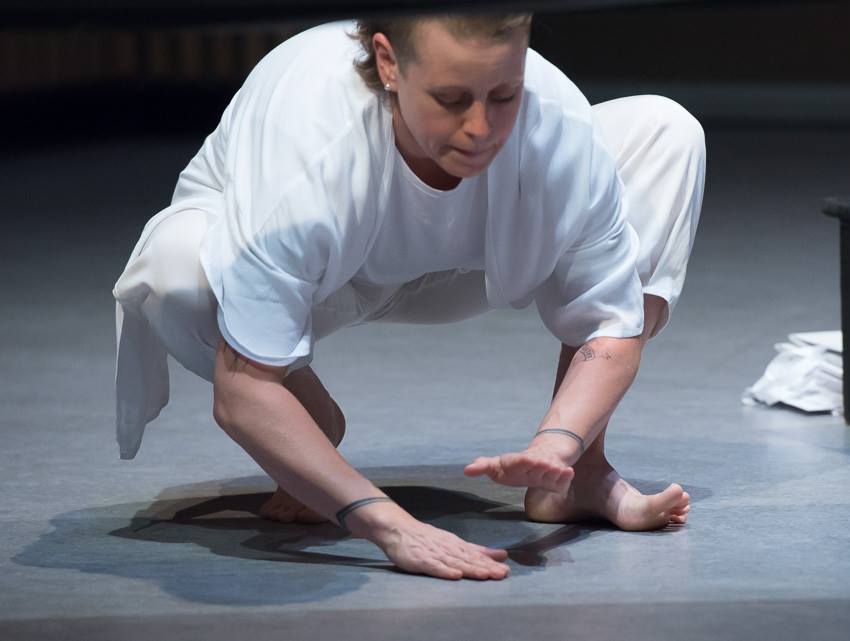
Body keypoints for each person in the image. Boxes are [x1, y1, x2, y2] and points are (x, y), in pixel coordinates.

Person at [113, 13, 705, 582]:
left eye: (504, 95)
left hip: (474, 263)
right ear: (388, 63)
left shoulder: (554, 118)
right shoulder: (310, 146)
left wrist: (557, 447)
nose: (481, 127)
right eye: (451, 100)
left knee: (665, 130)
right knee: (178, 270)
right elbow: (240, 394)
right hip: (327, 281)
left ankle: (578, 479)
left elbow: (612, 327)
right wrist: (390, 526)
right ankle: (307, 419)